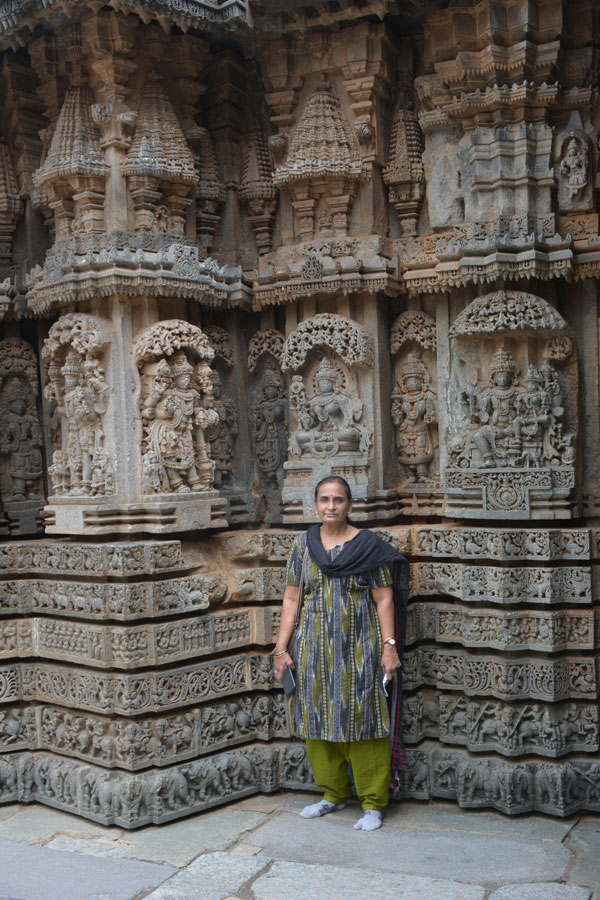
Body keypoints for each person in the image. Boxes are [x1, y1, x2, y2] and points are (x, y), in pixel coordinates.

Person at [273, 475, 408, 831]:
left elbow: (384, 598)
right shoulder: (303, 546)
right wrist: (281, 648)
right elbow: (292, 598)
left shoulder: (367, 546)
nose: (330, 506)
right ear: (315, 504)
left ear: (350, 505)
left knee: (365, 720)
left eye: (338, 499)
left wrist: (389, 647)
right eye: (324, 499)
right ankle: (332, 794)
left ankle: (373, 803)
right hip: (314, 648)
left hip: (360, 647)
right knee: (317, 719)